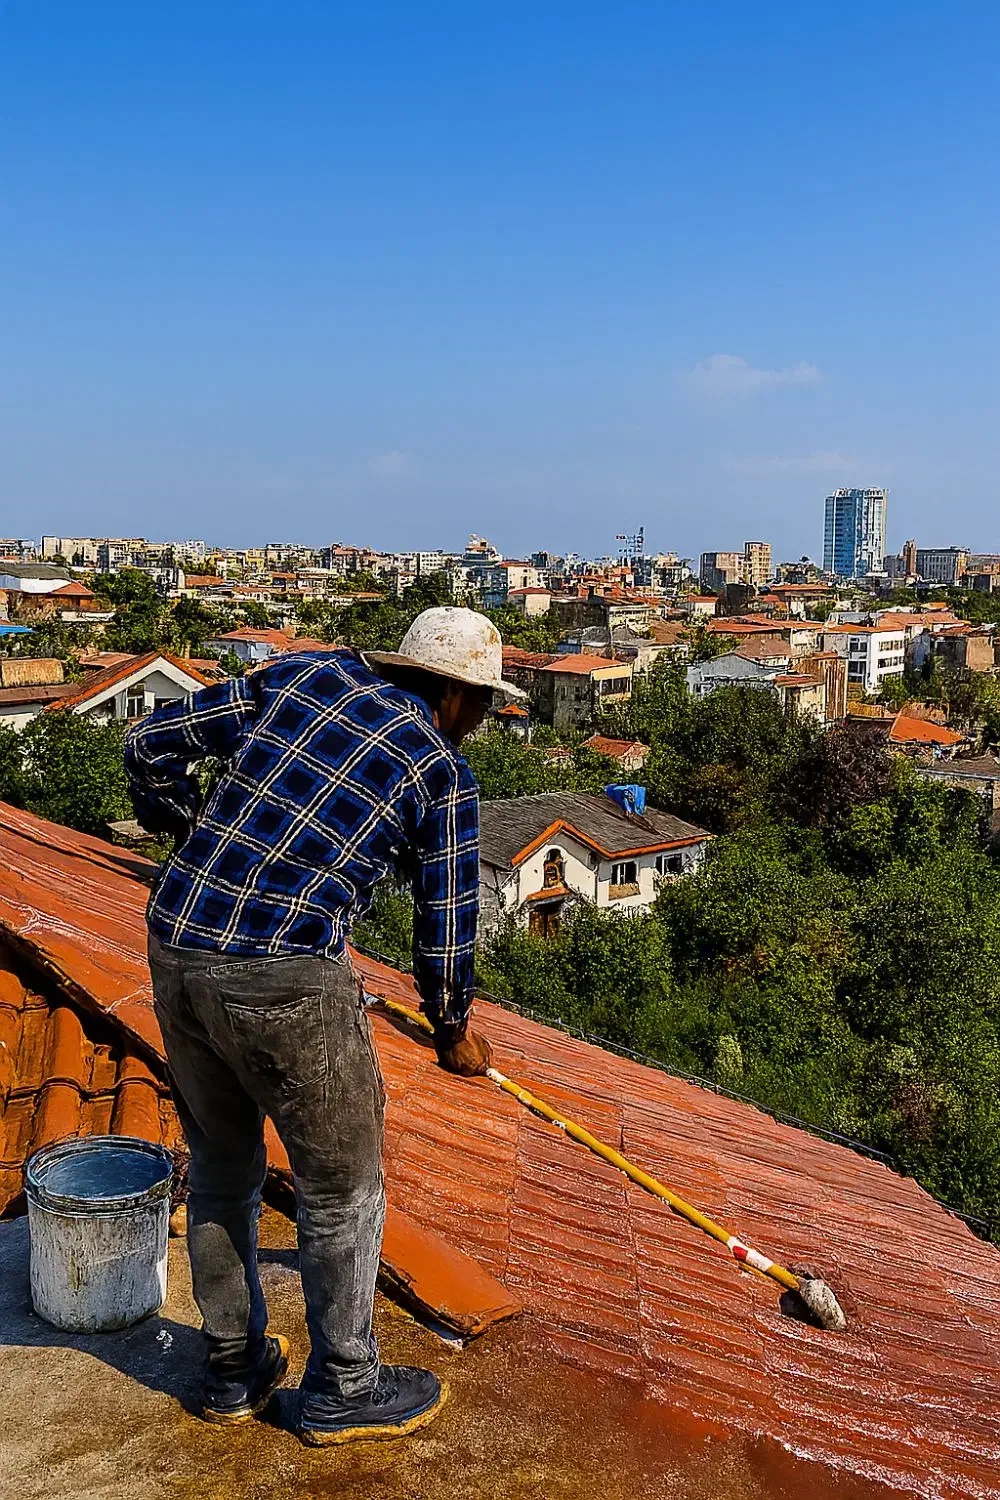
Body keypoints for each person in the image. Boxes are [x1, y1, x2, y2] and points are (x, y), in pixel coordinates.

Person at [124, 606, 523, 1446]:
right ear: (453, 696)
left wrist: (186, 830)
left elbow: (150, 743)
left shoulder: (306, 673)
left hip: (175, 941)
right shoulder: (437, 767)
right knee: (341, 1187)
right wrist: (452, 1029)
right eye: (482, 705)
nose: (479, 723)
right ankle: (345, 1385)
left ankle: (232, 1369)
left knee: (223, 1166)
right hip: (286, 972)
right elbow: (445, 925)